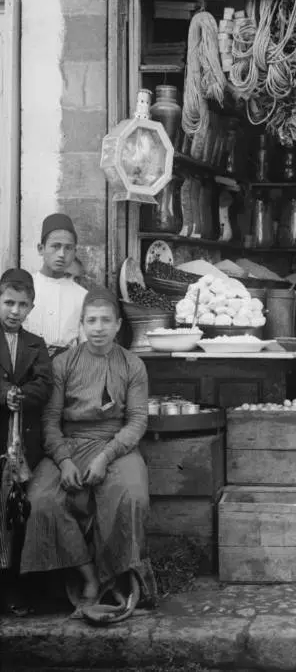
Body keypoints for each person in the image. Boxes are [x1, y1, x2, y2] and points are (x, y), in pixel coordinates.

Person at [20, 287, 156, 610]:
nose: (98, 327)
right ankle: (89, 576)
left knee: (132, 496)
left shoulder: (133, 364)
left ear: (118, 324)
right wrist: (64, 461)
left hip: (115, 446)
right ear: (81, 324)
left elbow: (137, 421)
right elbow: (50, 421)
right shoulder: (63, 364)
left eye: (105, 320)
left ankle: (118, 578)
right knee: (40, 501)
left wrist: (105, 456)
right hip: (68, 444)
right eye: (91, 320)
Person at [0, 269, 53, 615]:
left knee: (17, 513)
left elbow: (45, 383)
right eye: (8, 302)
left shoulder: (36, 345)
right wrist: (4, 394)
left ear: (31, 308)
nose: (14, 311)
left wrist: (23, 395)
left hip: (25, 446)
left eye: (22, 304)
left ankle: (15, 589)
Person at [25, 214, 87, 358]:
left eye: (68, 248)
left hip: (67, 370)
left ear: (75, 252)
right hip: (27, 370)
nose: (61, 254)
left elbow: (85, 344)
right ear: (41, 249)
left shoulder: (82, 296)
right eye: (55, 246)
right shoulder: (25, 287)